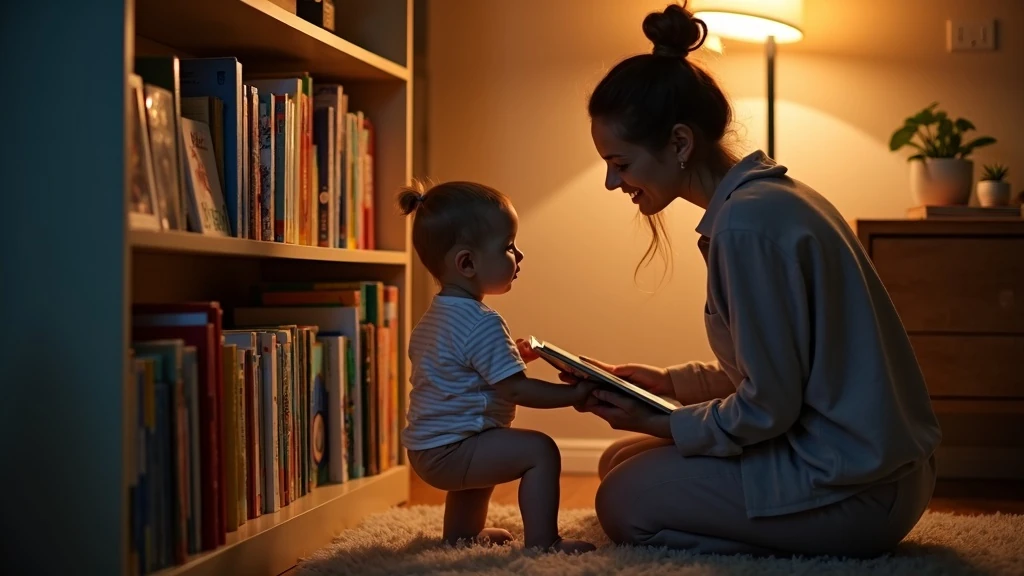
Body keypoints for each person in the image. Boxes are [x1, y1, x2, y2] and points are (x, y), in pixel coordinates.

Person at [551, 1, 943, 558]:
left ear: (680, 144)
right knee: (621, 461)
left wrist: (664, 424)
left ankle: (794, 549)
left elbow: (767, 407)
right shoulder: (761, 203)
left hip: (861, 487)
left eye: (621, 162)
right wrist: (667, 384)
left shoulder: (748, 226)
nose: (614, 184)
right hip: (876, 467)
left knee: (623, 501)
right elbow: (785, 371)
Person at [397, 181, 597, 554]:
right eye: (508, 246)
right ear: (467, 263)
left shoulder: (433, 319)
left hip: (428, 450)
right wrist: (574, 394)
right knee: (540, 451)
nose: (519, 255)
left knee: (483, 453)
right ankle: (544, 542)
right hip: (454, 448)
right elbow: (516, 389)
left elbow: (461, 375)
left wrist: (515, 357)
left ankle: (461, 535)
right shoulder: (481, 321)